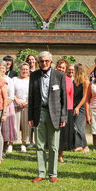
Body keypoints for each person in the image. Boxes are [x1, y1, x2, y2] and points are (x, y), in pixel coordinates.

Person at [28, 51, 67, 183]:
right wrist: (30, 116)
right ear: (38, 62)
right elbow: (31, 97)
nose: (44, 63)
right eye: (41, 61)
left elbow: (63, 98)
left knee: (54, 146)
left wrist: (63, 117)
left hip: (55, 114)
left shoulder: (59, 75)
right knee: (39, 145)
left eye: (46, 61)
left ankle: (53, 173)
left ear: (51, 62)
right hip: (39, 113)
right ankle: (41, 173)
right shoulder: (33, 76)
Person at [56, 60, 74, 163]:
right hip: (55, 109)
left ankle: (60, 156)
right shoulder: (52, 79)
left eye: (63, 68)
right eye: (60, 67)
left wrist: (70, 111)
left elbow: (71, 96)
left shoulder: (68, 80)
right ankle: (52, 154)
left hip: (67, 110)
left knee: (63, 134)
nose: (61, 69)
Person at [0, 61, 18, 154]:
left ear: (6, 69)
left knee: (5, 129)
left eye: (3, 68)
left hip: (7, 106)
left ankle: (3, 150)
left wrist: (4, 106)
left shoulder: (9, 80)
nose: (1, 70)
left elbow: (11, 95)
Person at [72, 64, 90, 152]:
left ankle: (86, 146)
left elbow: (85, 97)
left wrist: (78, 107)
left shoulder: (85, 82)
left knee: (79, 126)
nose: (72, 72)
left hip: (81, 107)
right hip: (74, 106)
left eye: (74, 70)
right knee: (74, 126)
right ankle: (78, 145)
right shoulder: (74, 82)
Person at [13, 63, 31, 152]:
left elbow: (32, 94)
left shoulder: (31, 81)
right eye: (23, 69)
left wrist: (26, 102)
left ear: (29, 71)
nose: (24, 71)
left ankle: (23, 144)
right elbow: (11, 92)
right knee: (14, 126)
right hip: (16, 105)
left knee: (25, 126)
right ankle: (10, 144)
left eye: (26, 69)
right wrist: (17, 100)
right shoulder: (14, 79)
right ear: (19, 70)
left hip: (26, 106)